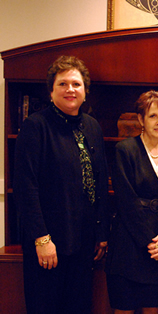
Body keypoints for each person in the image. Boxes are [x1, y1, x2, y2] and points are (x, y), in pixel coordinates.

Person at [13, 55, 110, 313]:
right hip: (49, 241)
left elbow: (100, 183)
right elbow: (25, 187)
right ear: (51, 90)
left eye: (76, 84)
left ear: (85, 91)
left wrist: (101, 234)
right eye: (63, 84)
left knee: (78, 306)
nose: (70, 89)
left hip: (84, 242)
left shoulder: (92, 127)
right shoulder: (35, 126)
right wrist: (41, 239)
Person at [105, 91, 158, 313]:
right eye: (153, 116)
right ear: (141, 120)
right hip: (128, 246)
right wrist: (152, 243)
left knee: (153, 309)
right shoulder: (125, 150)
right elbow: (126, 202)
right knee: (124, 308)